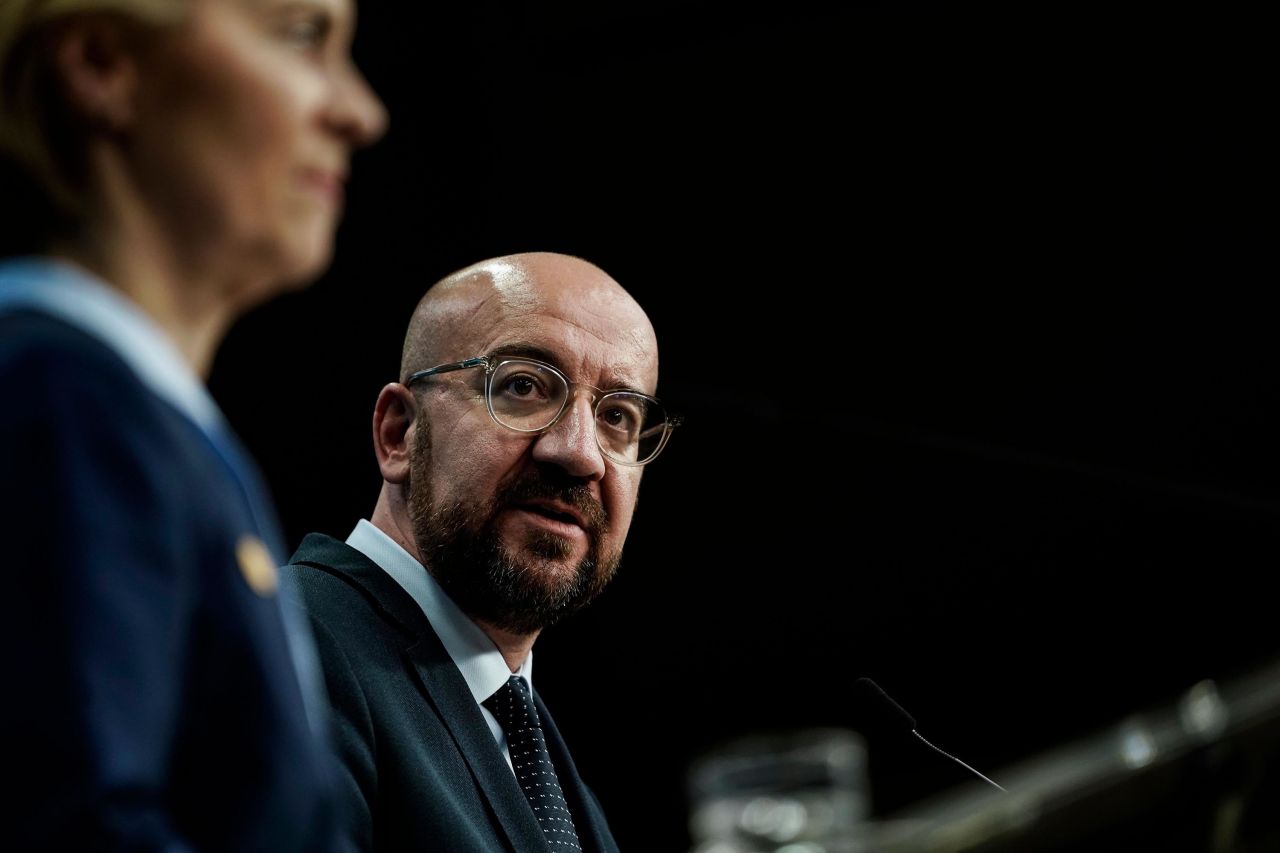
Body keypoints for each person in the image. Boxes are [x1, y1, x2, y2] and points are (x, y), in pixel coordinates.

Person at [0, 0, 386, 849]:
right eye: (301, 35)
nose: (360, 112)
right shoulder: (62, 402)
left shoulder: (128, 410)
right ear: (104, 65)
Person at [283, 251, 679, 852]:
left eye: (618, 416)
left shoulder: (530, 744)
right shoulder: (291, 642)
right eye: (523, 386)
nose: (580, 455)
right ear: (399, 433)